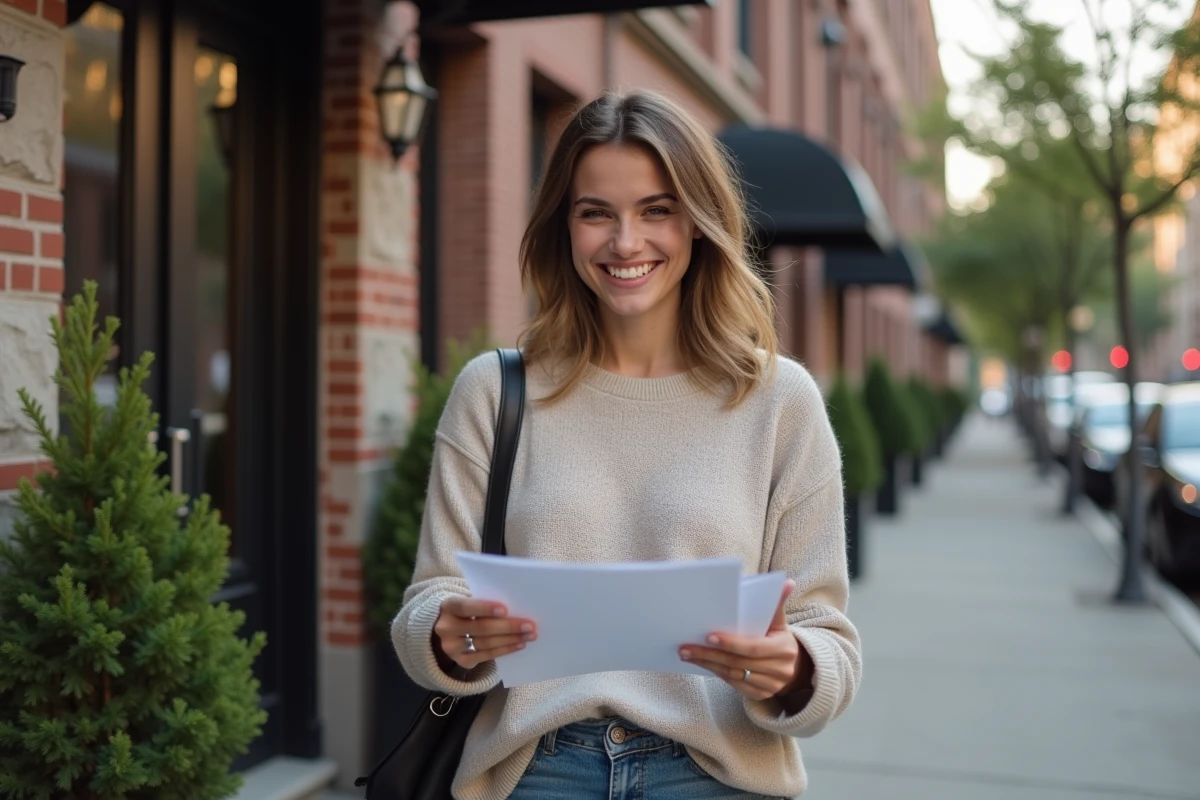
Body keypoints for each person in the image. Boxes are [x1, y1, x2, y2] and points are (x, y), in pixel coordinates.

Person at [392, 89, 860, 800]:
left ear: (698, 222)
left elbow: (828, 638)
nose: (626, 242)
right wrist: (448, 634)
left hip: (716, 773)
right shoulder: (493, 391)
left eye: (656, 210)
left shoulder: (779, 400)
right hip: (537, 770)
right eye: (595, 213)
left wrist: (791, 667)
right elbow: (430, 602)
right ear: (564, 226)